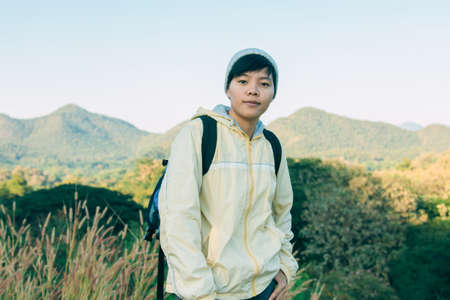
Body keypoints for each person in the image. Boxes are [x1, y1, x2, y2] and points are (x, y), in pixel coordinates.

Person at [158, 48, 298, 300]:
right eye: (242, 81)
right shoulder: (199, 134)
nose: (253, 90)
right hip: (210, 291)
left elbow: (282, 213)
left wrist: (286, 267)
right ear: (228, 89)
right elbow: (178, 218)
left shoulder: (272, 145)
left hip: (264, 289)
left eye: (264, 83)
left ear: (273, 93)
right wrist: (199, 291)